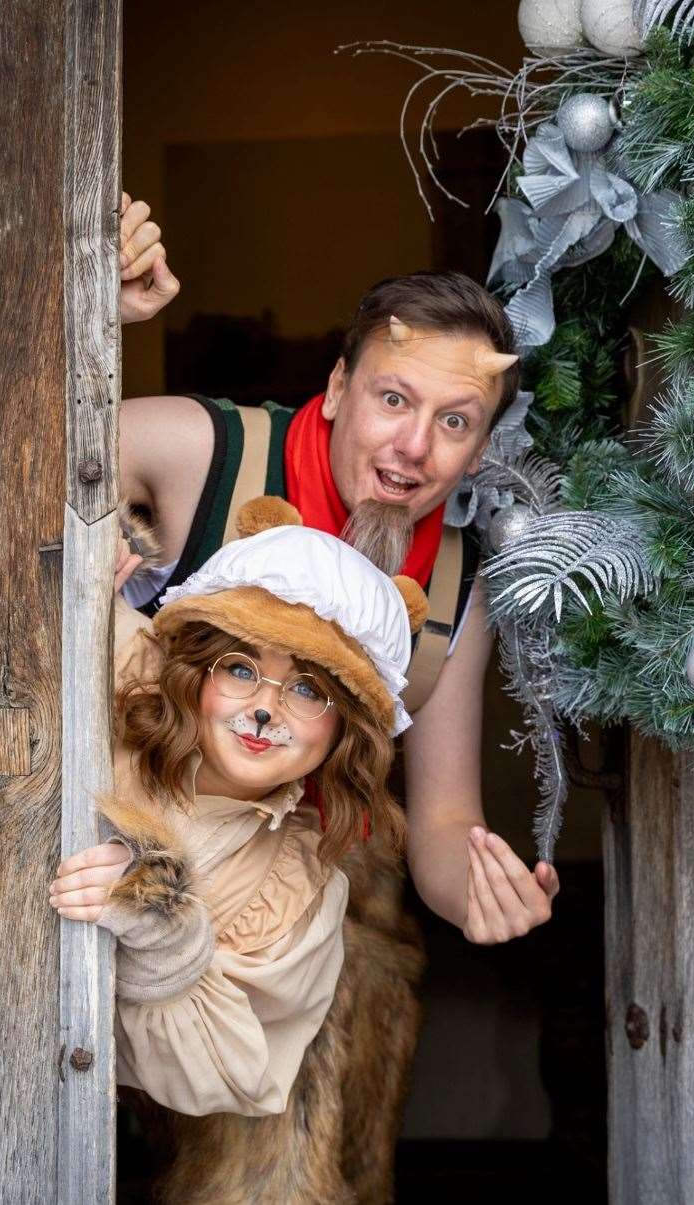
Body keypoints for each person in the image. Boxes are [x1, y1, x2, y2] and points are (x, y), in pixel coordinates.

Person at [95, 192, 560, 946]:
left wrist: (476, 893)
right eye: (392, 398)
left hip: (267, 929)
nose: (414, 445)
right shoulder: (202, 454)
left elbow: (443, 816)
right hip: (100, 862)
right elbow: (7, 459)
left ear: (478, 452)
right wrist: (98, 316)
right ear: (339, 389)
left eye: (453, 421)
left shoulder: (451, 592)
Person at [49, 506, 426, 1202]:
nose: (264, 707)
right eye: (241, 668)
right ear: (194, 669)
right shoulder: (129, 677)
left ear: (343, 731)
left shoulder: (300, 890)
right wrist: (88, 568)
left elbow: (227, 1072)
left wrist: (164, 931)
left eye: (308, 689)